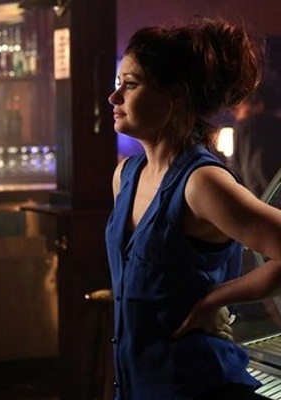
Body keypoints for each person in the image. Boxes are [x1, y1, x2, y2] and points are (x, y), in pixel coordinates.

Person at [106, 16, 281, 400]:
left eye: (130, 85)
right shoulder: (126, 175)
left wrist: (213, 300)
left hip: (195, 386)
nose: (114, 98)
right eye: (118, 83)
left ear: (175, 95)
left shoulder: (202, 183)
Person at [231, 76, 281, 198]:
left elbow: (254, 175)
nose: (235, 113)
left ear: (259, 104)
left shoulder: (250, 127)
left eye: (240, 106)